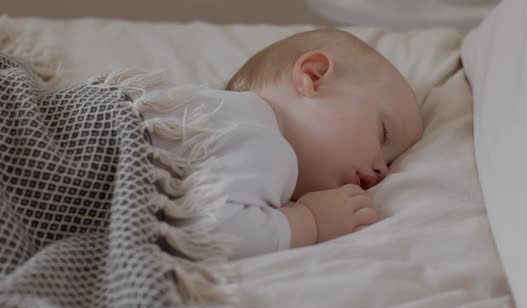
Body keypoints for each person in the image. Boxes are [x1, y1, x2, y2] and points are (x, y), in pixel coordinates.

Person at [148, 29, 423, 259]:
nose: (383, 172)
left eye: (389, 162)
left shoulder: (220, 119)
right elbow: (208, 230)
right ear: (314, 77)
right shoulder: (261, 134)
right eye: (383, 133)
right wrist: (310, 221)